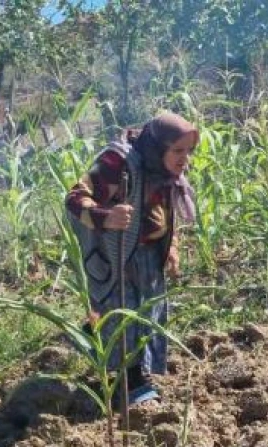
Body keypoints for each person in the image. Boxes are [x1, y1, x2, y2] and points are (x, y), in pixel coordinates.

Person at [65, 112, 197, 405]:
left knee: (147, 316)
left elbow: (164, 210)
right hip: (117, 255)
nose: (184, 159)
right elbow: (75, 199)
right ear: (158, 146)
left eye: (188, 151)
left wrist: (171, 246)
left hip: (148, 255)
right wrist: (106, 216)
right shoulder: (118, 162)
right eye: (177, 150)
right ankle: (132, 384)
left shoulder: (162, 169)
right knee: (125, 315)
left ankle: (97, 338)